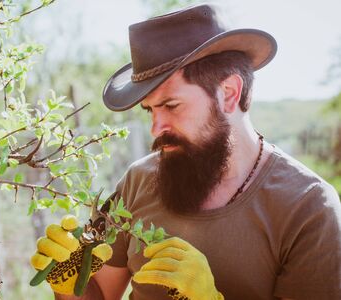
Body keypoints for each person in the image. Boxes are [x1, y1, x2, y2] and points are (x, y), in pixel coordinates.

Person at [30, 4, 341, 300]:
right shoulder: (139, 180)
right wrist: (67, 279)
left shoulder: (308, 206)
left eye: (170, 105)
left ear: (229, 93)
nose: (156, 127)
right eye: (149, 110)